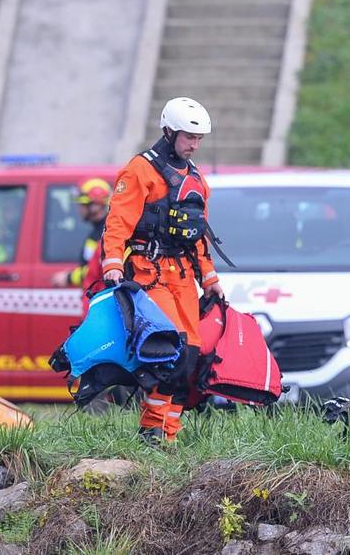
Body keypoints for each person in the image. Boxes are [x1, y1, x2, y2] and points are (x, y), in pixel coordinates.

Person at [101, 97, 224, 443]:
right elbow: (117, 221)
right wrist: (113, 263)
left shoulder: (197, 178)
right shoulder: (140, 170)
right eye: (189, 137)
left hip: (183, 273)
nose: (194, 145)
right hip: (148, 270)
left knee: (189, 355)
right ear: (169, 131)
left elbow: (199, 234)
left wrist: (210, 278)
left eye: (199, 139)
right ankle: (151, 430)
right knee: (168, 348)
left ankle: (167, 435)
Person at [51, 178, 112, 292]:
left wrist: (68, 277)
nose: (79, 209)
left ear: (96, 206)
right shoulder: (97, 231)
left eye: (83, 204)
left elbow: (96, 270)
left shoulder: (105, 233)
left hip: (99, 294)